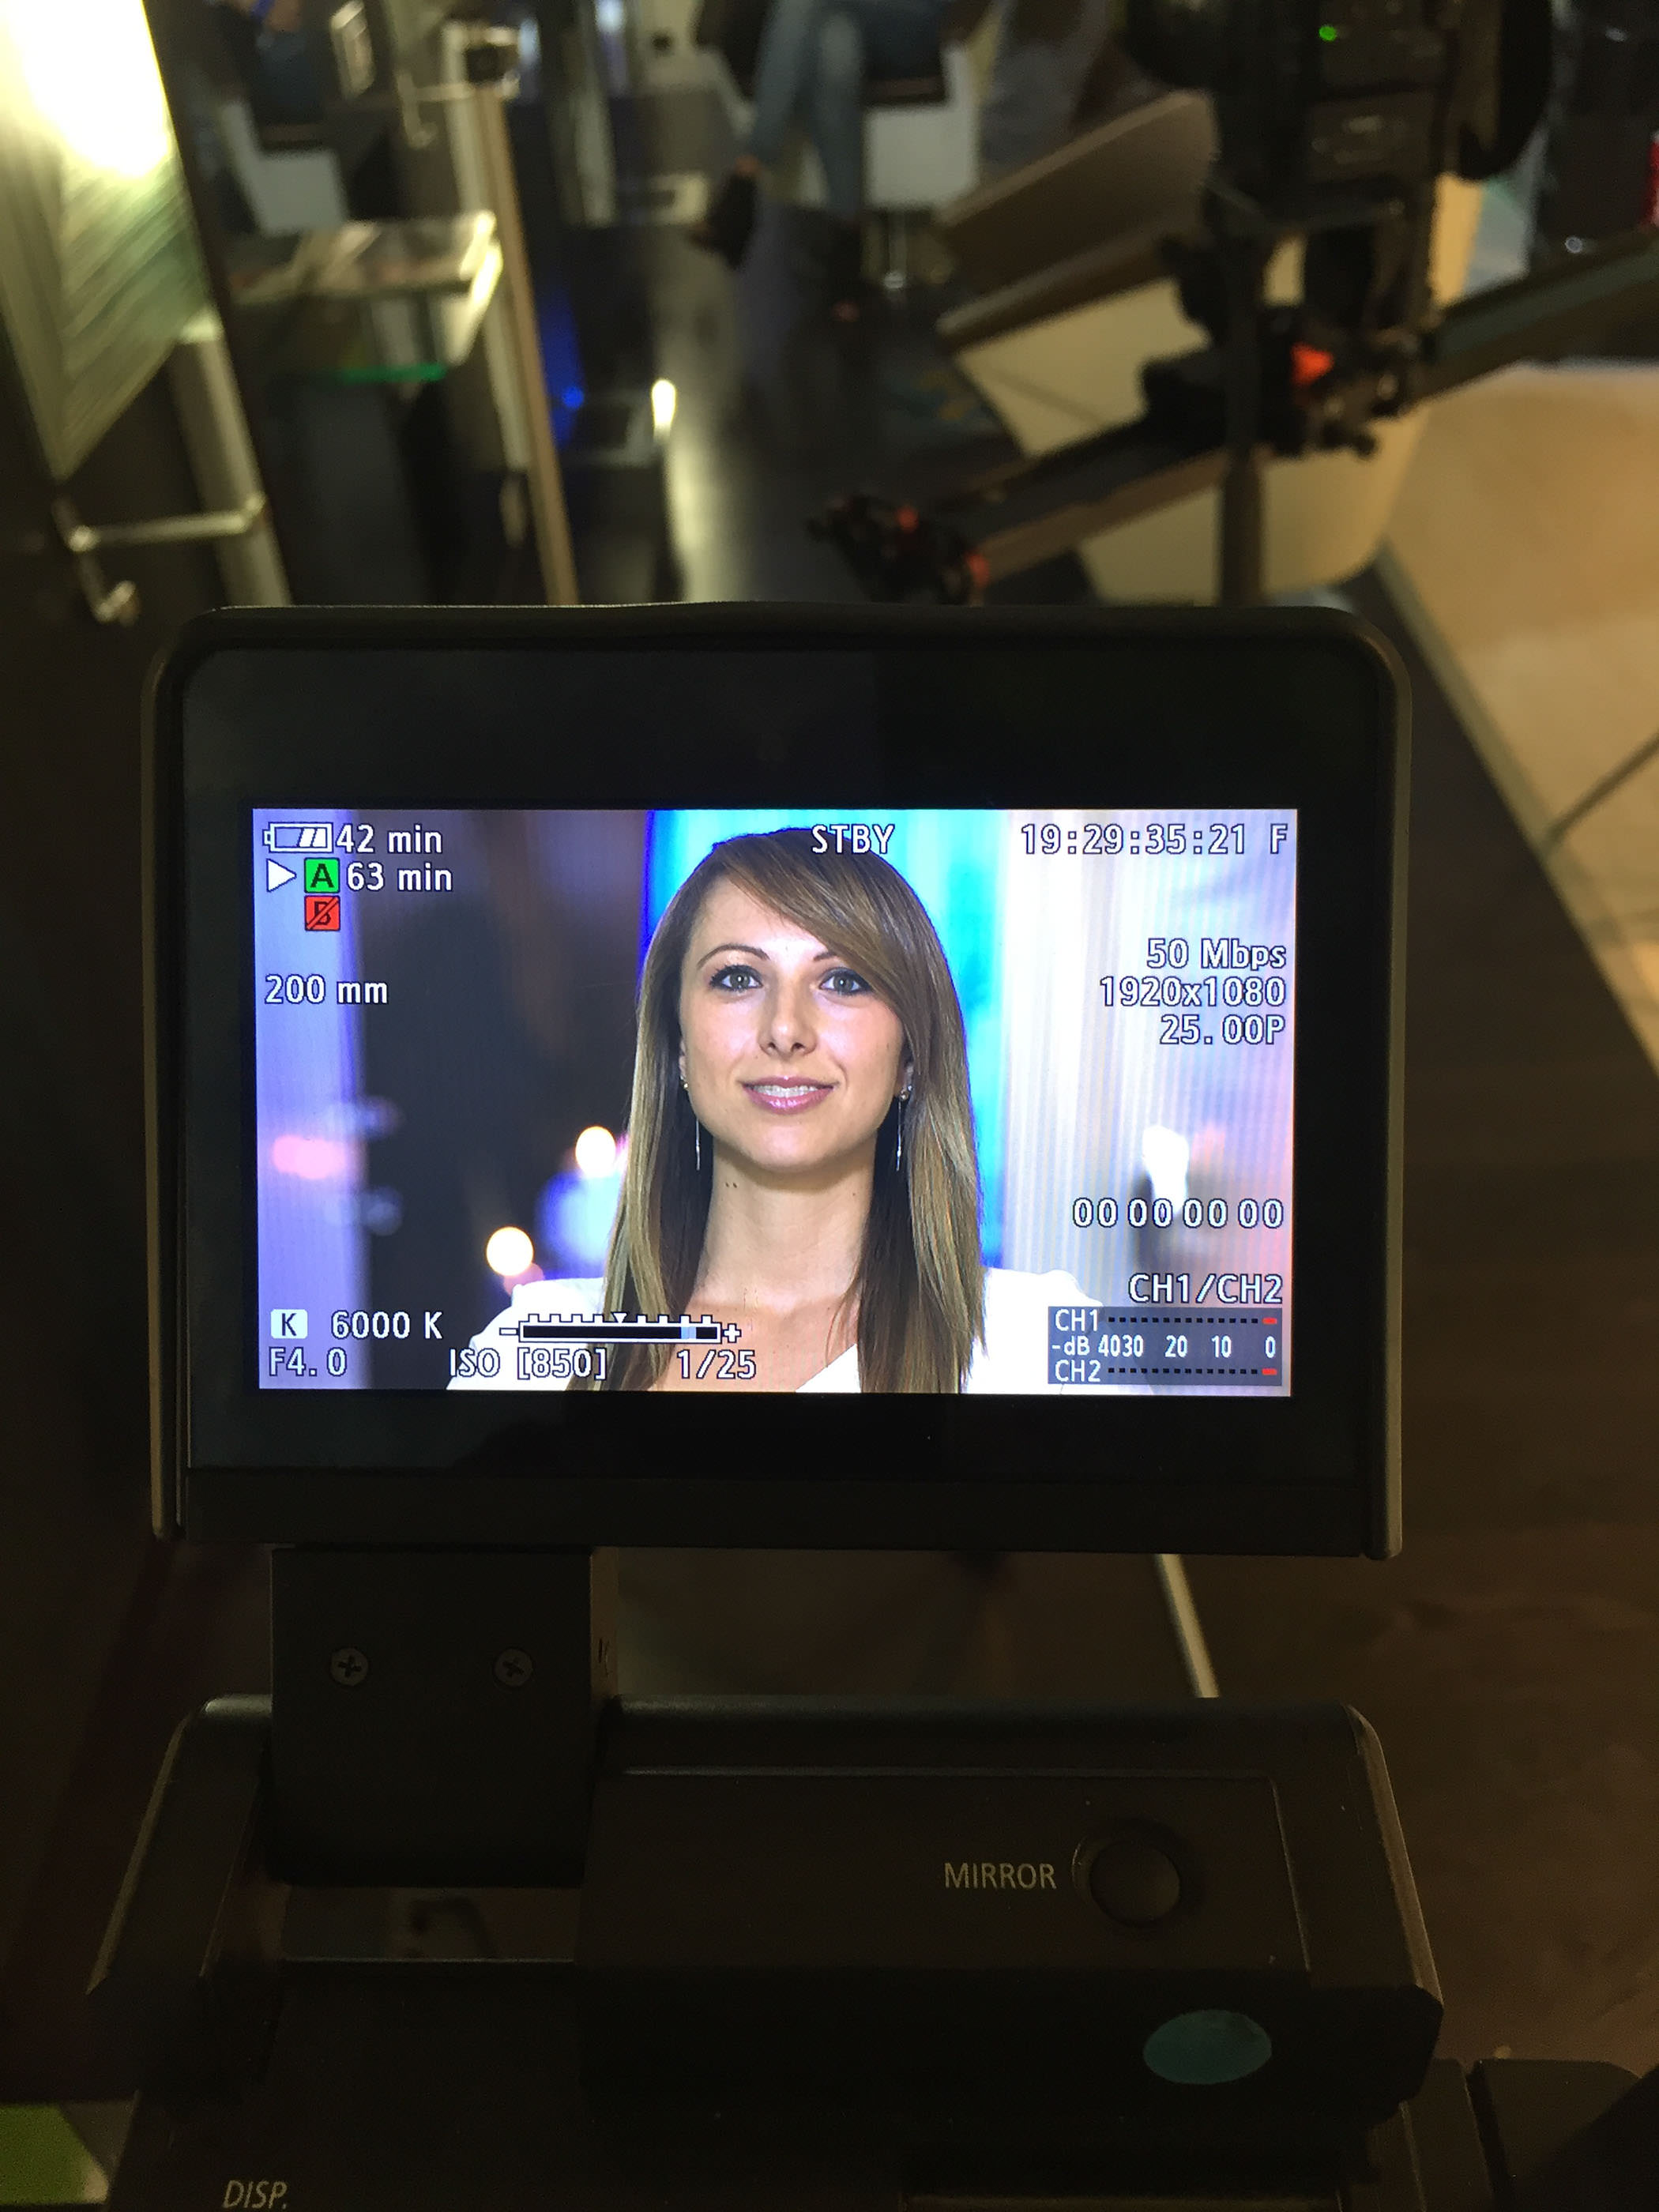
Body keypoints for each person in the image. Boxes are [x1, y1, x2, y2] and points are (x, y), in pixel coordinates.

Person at [451, 827, 1097, 1394]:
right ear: (678, 1047)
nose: (785, 1029)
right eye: (738, 978)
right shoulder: (535, 1350)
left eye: (843, 981)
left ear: (910, 1055)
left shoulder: (1045, 1341)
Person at [691, 0, 954, 318]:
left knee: (801, 6)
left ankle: (746, 178)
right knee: (836, 50)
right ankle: (847, 245)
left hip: (909, 24)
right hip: (847, 17)